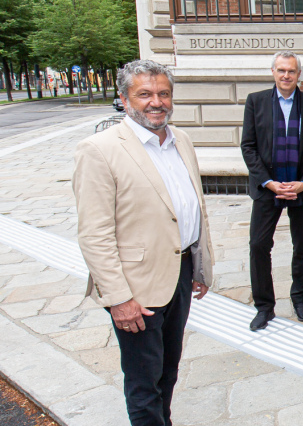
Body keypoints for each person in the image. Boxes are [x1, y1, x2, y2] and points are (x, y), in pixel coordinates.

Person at [73, 59, 213, 426]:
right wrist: (118, 298)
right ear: (124, 99)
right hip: (135, 288)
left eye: (163, 93)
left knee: (168, 370)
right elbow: (94, 233)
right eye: (145, 94)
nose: (157, 102)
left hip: (179, 274)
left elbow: (191, 207)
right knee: (143, 381)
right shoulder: (99, 149)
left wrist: (198, 266)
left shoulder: (180, 140)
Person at [240, 51, 303, 331]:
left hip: (301, 188)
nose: (286, 76)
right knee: (258, 245)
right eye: (281, 70)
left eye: (291, 71)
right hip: (269, 188)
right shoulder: (255, 102)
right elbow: (248, 146)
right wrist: (268, 182)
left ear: (298, 74)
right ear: (273, 72)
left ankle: (300, 299)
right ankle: (264, 307)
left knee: (302, 245)